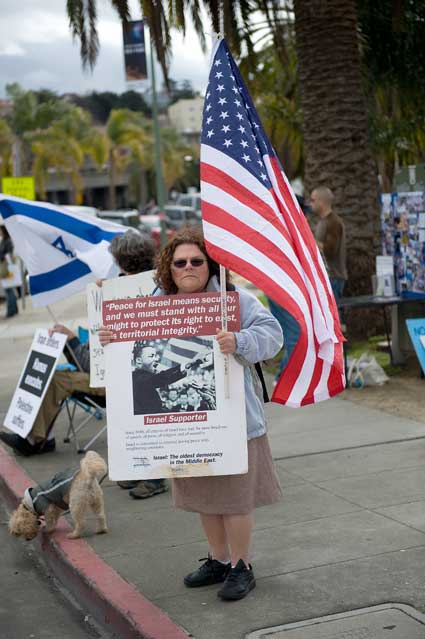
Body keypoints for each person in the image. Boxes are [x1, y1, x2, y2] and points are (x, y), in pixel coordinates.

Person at [101, 226, 283, 601]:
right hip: (181, 427)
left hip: (233, 421)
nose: (188, 267)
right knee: (204, 496)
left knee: (234, 498)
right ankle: (218, 560)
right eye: (180, 261)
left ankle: (241, 566)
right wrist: (111, 339)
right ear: (169, 267)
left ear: (210, 265)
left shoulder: (233, 299)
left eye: (196, 261)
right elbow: (131, 352)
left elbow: (273, 334)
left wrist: (240, 341)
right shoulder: (155, 302)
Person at [310, 186, 347, 301]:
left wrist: (309, 240)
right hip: (328, 278)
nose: (310, 204)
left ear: (321, 201)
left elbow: (330, 250)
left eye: (313, 200)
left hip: (333, 278)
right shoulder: (324, 221)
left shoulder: (334, 222)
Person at [0, 225, 19, 318]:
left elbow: (5, 254)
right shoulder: (5, 241)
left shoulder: (7, 241)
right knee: (10, 288)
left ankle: (11, 311)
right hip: (6, 267)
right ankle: (14, 309)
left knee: (8, 289)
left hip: (6, 268)